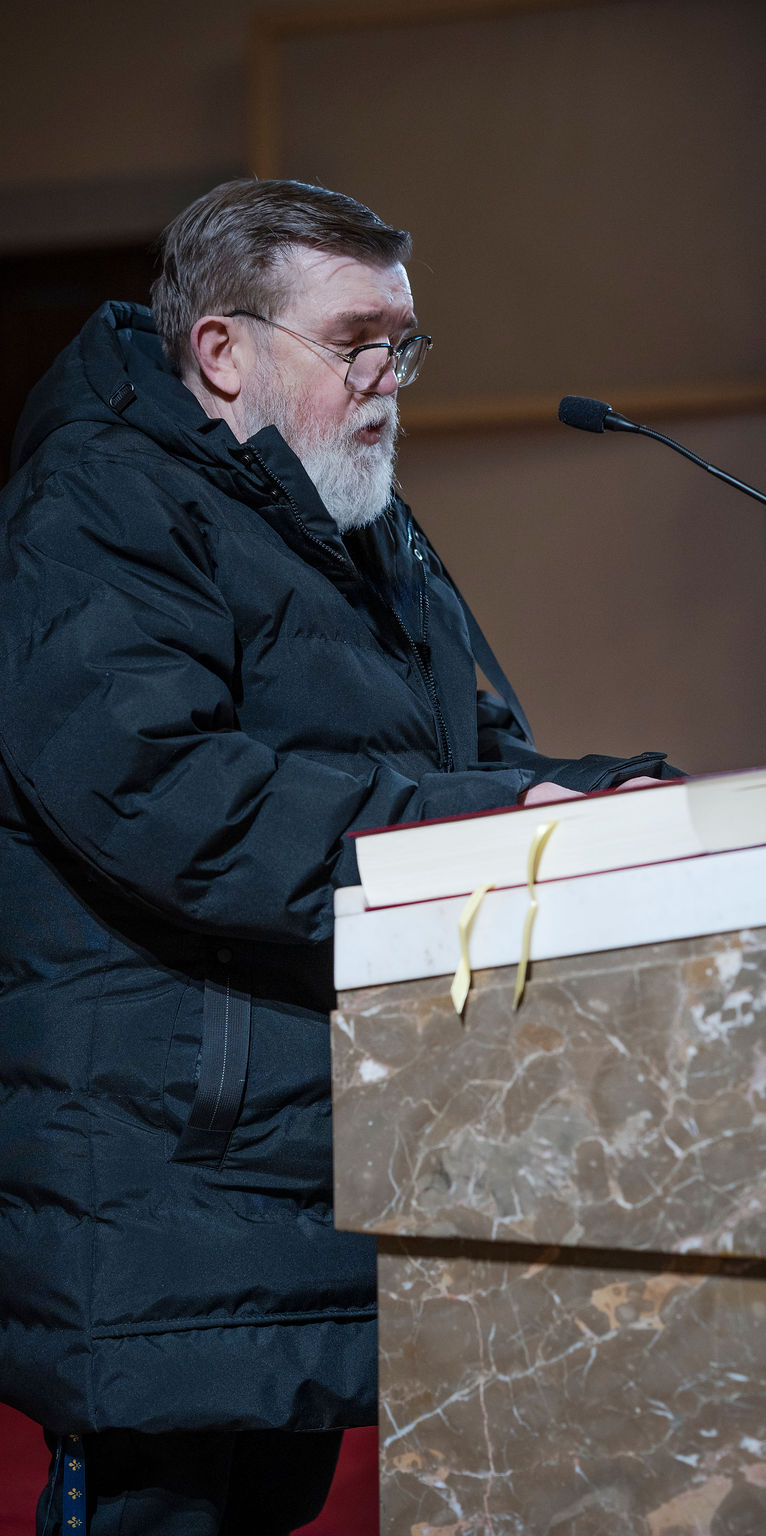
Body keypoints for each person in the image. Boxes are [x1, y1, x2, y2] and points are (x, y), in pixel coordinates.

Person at [0, 178, 672, 1534]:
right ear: (222, 351)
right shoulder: (98, 502)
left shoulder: (352, 518)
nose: (388, 382)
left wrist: (609, 799)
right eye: (356, 342)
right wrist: (482, 828)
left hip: (303, 1143)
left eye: (403, 345)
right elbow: (168, 795)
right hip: (167, 1161)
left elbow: (466, 746)